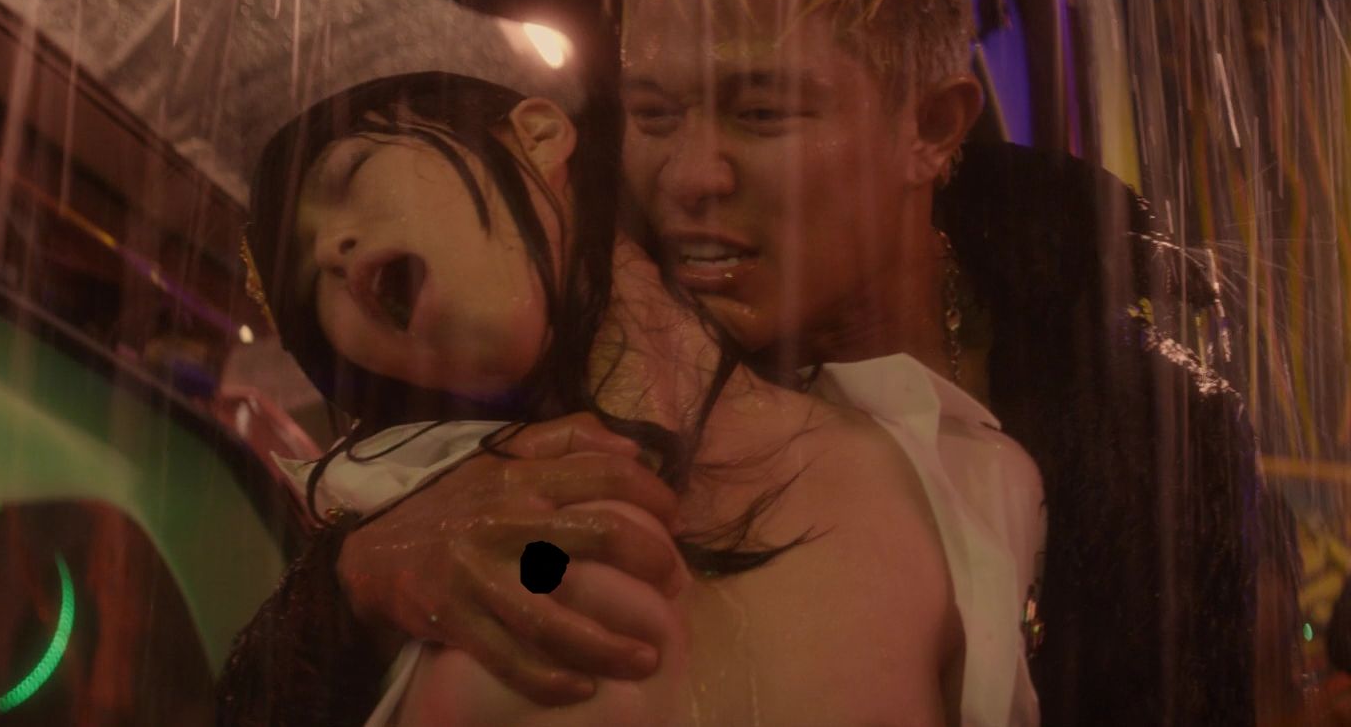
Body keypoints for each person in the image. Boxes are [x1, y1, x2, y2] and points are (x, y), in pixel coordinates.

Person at [218, 0, 1270, 725]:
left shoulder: (1139, 428)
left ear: (930, 126)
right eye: (655, 113)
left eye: (763, 112)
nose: (690, 177)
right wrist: (356, 585)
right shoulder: (569, 336)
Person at [230, 69, 961, 724]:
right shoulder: (395, 538)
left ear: (538, 136)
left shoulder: (957, 475)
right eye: (310, 285)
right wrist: (346, 592)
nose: (330, 250)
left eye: (351, 177)